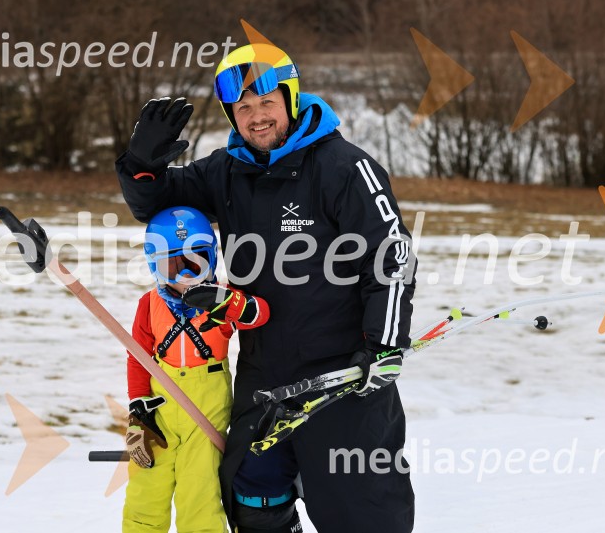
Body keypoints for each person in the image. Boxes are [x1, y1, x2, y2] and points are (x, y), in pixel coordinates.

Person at [116, 43, 416, 533]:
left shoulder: (343, 168)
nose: (256, 117)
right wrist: (141, 164)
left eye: (266, 102)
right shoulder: (228, 170)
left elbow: (392, 257)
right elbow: (160, 202)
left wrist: (382, 344)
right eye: (243, 108)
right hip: (264, 376)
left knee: (363, 510)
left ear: (291, 99)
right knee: (251, 497)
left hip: (344, 375)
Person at [123, 205, 270, 532]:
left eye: (196, 261)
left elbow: (260, 315)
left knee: (199, 496)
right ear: (154, 264)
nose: (186, 276)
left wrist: (231, 304)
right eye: (173, 265)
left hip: (207, 412)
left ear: (212, 259)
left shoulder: (222, 300)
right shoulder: (149, 306)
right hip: (159, 412)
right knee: (145, 493)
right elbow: (138, 358)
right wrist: (137, 412)